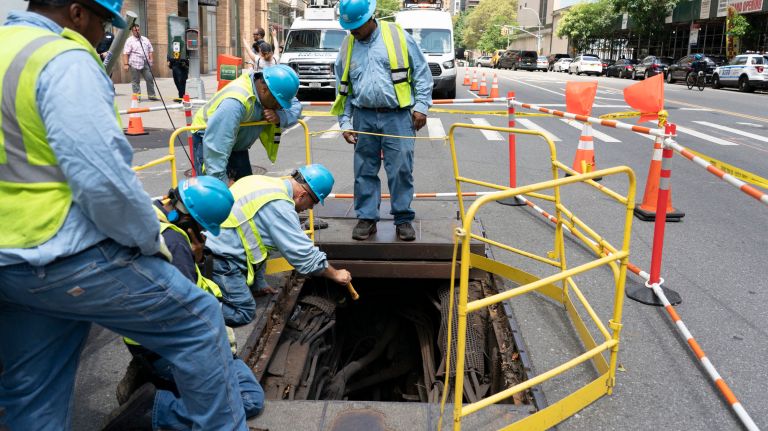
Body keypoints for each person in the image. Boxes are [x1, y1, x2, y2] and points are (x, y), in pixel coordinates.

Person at [0, 1, 247, 430]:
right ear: (78, 13)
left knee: (34, 393)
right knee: (200, 324)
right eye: (103, 23)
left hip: (10, 263)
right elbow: (103, 180)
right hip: (62, 253)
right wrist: (149, 239)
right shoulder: (63, 58)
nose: (104, 36)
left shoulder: (7, 47)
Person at [114, 176, 266, 421]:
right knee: (249, 400)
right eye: (203, 228)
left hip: (145, 340)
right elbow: (188, 318)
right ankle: (154, 409)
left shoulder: (151, 214)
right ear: (190, 221)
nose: (204, 235)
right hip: (172, 348)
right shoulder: (175, 244)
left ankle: (153, 376)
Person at [332, 0, 433, 242]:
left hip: (398, 115)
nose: (353, 31)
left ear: (371, 18)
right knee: (364, 169)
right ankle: (367, 218)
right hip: (363, 116)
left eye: (357, 26)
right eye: (350, 26)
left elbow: (421, 72)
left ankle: (403, 218)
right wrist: (345, 122)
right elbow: (342, 88)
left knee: (400, 169)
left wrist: (421, 106)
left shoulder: (397, 36)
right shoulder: (348, 46)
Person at [206, 164, 353, 327]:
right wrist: (335, 274)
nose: (310, 208)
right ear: (302, 195)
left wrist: (259, 282)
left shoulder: (262, 182)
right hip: (222, 259)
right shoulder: (280, 207)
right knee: (243, 312)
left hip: (214, 245)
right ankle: (191, 309)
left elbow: (258, 236)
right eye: (313, 203)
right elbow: (304, 256)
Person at [191, 64, 302, 183]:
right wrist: (222, 183)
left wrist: (280, 116)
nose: (279, 107)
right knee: (212, 192)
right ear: (264, 90)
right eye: (278, 102)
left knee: (245, 188)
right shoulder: (234, 103)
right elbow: (217, 148)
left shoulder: (273, 88)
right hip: (210, 141)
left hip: (237, 145)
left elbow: (295, 105)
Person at [123, 23, 157, 101]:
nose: (137, 31)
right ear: (132, 31)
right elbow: (125, 53)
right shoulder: (129, 41)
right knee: (136, 81)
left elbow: (150, 50)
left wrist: (151, 60)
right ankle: (137, 97)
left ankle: (152, 96)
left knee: (149, 78)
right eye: (135, 30)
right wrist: (126, 64)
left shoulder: (145, 39)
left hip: (145, 62)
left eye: (138, 30)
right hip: (134, 63)